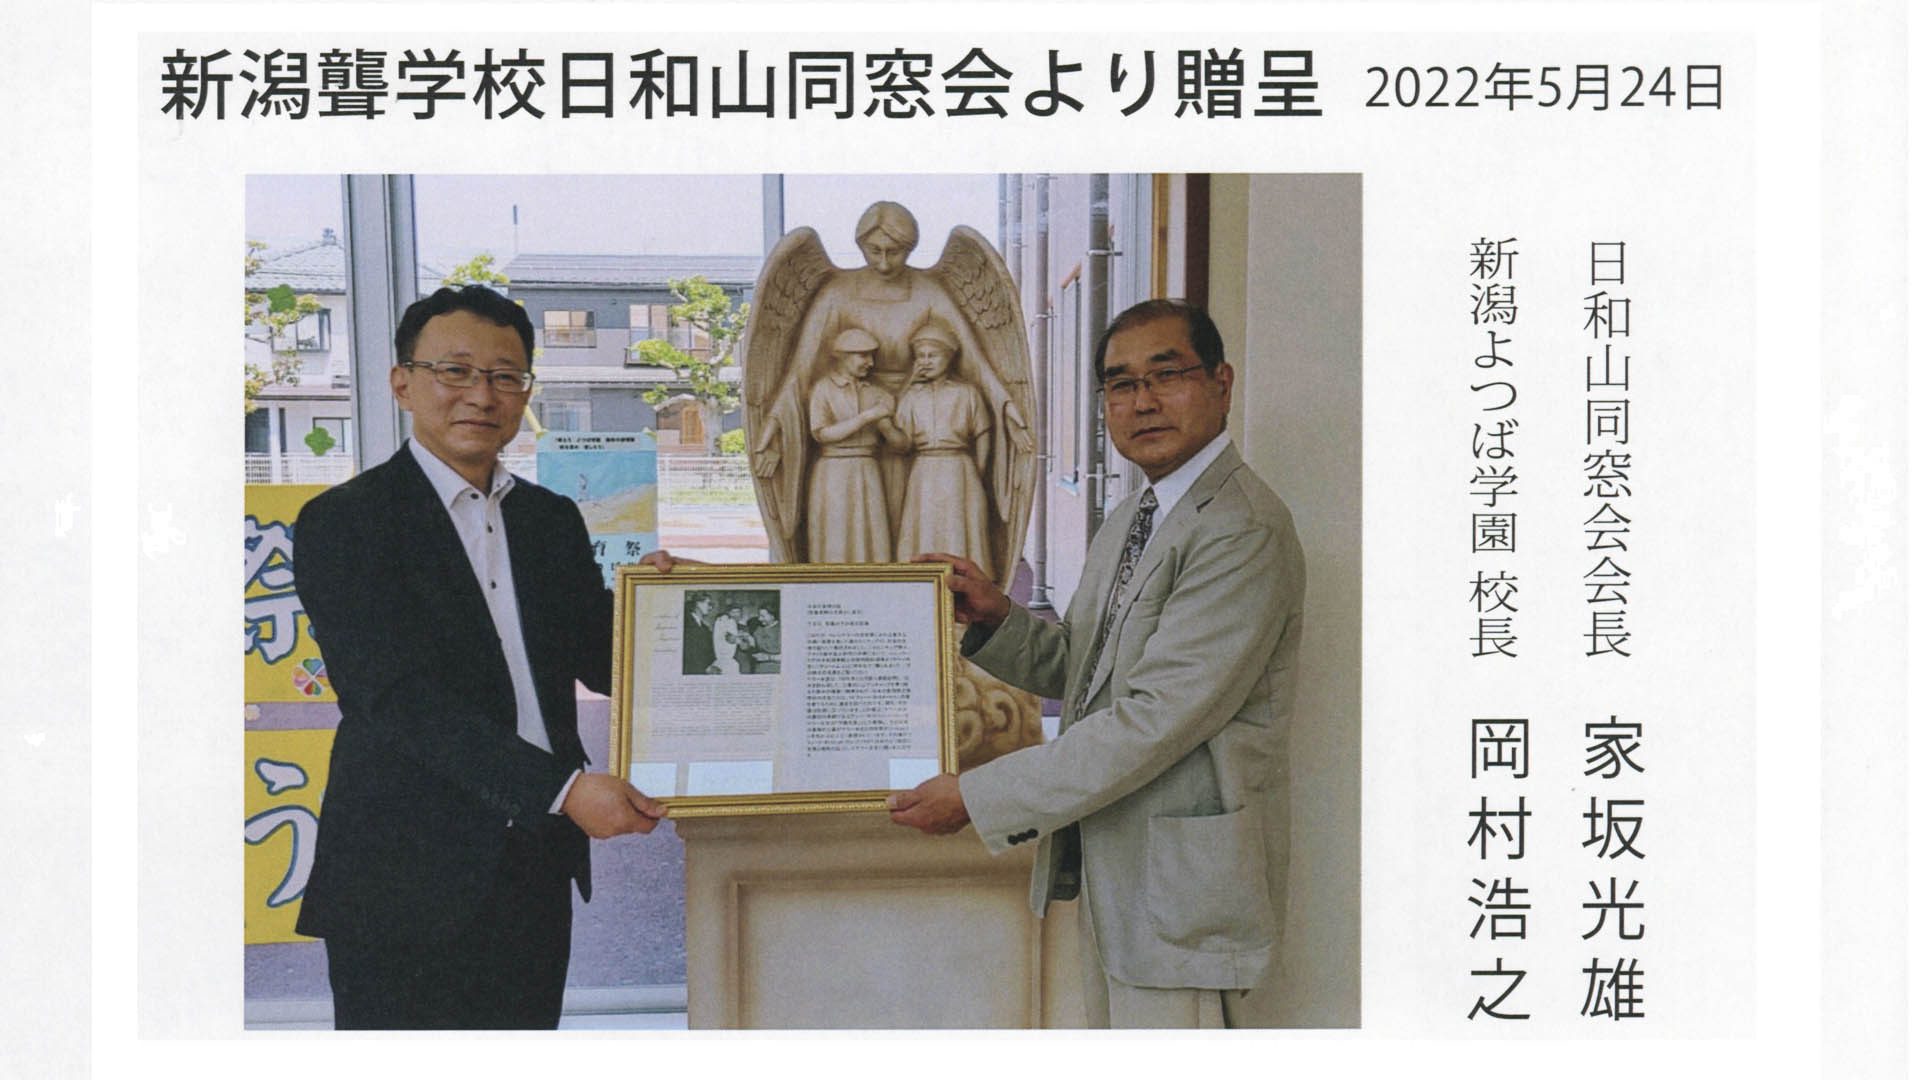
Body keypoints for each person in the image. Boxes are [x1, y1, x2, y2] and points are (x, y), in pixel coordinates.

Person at [888, 299, 1306, 1029]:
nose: (1142, 401)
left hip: (1183, 887)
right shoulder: (1136, 514)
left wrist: (979, 795)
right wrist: (997, 619)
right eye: (1119, 384)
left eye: (1165, 375)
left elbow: (1154, 719)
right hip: (1119, 861)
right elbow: (1089, 671)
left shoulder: (1242, 530)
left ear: (1221, 383)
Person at [293, 285, 665, 1030]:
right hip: (403, 871)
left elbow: (599, 655)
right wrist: (563, 789)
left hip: (533, 861)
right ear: (403, 383)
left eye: (505, 376)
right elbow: (395, 699)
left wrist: (666, 613)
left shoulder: (549, 520)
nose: (480, 394)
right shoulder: (345, 521)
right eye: (454, 370)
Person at [893, 319, 993, 570]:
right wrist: (908, 385)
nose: (926, 361)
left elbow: (983, 433)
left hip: (959, 468)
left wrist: (977, 471)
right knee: (926, 525)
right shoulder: (912, 397)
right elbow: (901, 439)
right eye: (921, 356)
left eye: (933, 355)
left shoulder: (967, 393)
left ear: (948, 357)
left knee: (958, 525)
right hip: (924, 469)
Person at [805, 327, 903, 562]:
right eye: (863, 356)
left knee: (871, 531)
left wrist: (887, 423)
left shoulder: (876, 393)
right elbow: (823, 434)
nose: (870, 363)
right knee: (837, 532)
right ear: (843, 356)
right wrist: (868, 417)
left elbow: (900, 445)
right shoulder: (823, 389)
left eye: (871, 356)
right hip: (834, 470)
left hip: (867, 469)